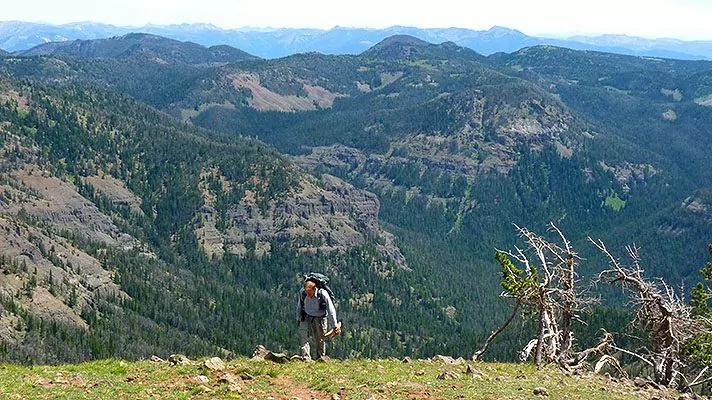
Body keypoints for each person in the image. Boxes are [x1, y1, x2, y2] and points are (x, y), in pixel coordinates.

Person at [296, 278, 341, 361]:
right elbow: (299, 305)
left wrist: (334, 326)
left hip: (320, 317)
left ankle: (320, 358)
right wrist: (298, 317)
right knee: (303, 336)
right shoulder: (303, 293)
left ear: (314, 288)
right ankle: (306, 358)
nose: (308, 295)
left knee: (320, 338)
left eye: (309, 292)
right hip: (305, 315)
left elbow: (330, 309)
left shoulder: (322, 294)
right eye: (306, 292)